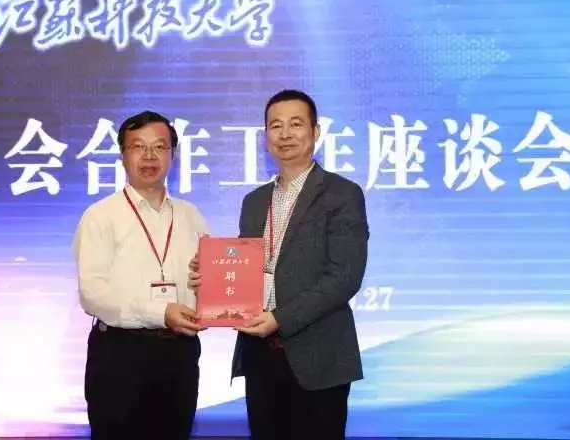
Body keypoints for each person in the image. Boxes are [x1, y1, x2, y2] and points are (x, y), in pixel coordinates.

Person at [189, 90, 369, 440]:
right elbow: (248, 266)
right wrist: (212, 276)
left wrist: (279, 318)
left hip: (318, 358)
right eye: (276, 126)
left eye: (296, 124)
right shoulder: (254, 202)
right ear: (265, 136)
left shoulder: (341, 194)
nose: (285, 134)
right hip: (260, 356)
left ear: (315, 132)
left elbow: (345, 276)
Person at [73, 111, 208, 440]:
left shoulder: (190, 216)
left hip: (179, 353)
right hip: (120, 354)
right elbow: (93, 294)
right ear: (122, 155)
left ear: (173, 155)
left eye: (159, 147)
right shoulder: (100, 216)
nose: (149, 156)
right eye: (138, 147)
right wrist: (161, 312)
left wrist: (208, 284)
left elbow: (207, 279)